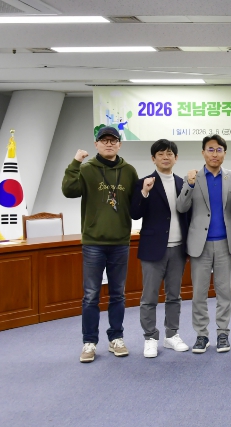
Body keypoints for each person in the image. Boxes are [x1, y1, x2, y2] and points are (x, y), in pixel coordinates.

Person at [62, 126, 139, 363]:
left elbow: (136, 206)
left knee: (118, 294)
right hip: (93, 242)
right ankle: (89, 342)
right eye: (103, 140)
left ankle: (116, 338)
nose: (108, 144)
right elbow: (69, 190)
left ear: (119, 145)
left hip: (120, 242)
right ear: (96, 144)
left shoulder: (129, 171)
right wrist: (75, 162)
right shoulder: (87, 169)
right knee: (90, 295)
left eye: (113, 140)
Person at [176, 135, 231, 354]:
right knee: (199, 293)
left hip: (226, 243)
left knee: (225, 292)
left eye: (219, 150)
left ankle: (223, 333)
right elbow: (181, 207)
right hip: (200, 245)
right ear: (203, 152)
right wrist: (189, 185)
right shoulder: (192, 177)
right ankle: (202, 335)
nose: (215, 154)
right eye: (210, 149)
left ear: (224, 153)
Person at [130, 139, 190, 358]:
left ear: (176, 158)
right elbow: (135, 213)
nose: (166, 157)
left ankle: (171, 335)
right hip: (153, 249)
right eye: (161, 154)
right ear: (153, 158)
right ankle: (150, 338)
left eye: (170, 153)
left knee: (174, 295)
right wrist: (144, 193)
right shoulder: (143, 182)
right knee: (149, 297)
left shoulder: (183, 183)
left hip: (178, 248)